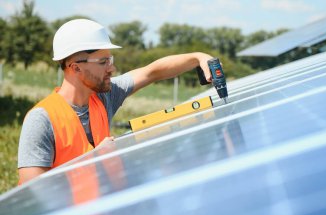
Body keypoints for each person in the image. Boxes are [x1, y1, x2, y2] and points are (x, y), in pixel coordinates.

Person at [18, 19, 214, 184]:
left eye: (109, 60)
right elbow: (32, 195)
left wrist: (198, 57)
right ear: (75, 68)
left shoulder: (105, 96)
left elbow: (151, 72)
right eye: (103, 62)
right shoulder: (41, 120)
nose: (112, 69)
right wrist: (93, 160)